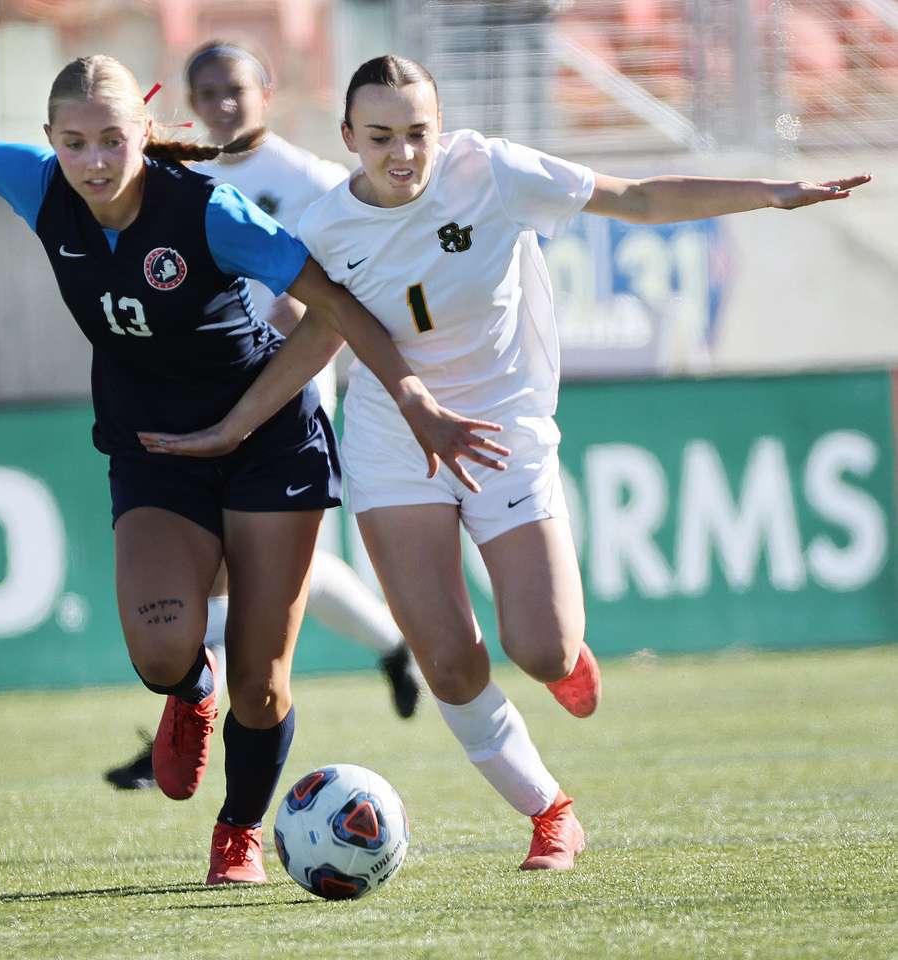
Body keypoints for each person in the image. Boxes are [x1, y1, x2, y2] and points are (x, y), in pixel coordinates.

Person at [0, 55, 496, 885]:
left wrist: (413, 401)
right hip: (154, 450)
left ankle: (239, 835)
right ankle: (190, 691)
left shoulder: (211, 212)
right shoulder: (35, 184)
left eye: (112, 140)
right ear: (49, 142)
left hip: (267, 443)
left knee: (261, 686)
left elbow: (334, 304)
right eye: (75, 143)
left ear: (144, 133)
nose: (94, 160)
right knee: (159, 651)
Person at [135, 54, 870, 871]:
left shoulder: (494, 173)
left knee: (543, 649)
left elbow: (640, 199)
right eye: (380, 137)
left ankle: (563, 656)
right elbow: (311, 339)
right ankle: (550, 812)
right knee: (448, 663)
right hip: (395, 443)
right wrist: (231, 424)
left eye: (418, 133)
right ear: (348, 137)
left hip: (505, 434)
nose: (402, 154)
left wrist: (767, 195)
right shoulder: (325, 226)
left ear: (440, 130)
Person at [102, 39, 424, 792]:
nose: (220, 104)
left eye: (233, 90)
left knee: (266, 567)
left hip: (289, 387)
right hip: (194, 391)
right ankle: (381, 649)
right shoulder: (171, 177)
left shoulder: (311, 180)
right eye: (205, 91)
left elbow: (351, 276)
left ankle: (189, 724)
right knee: (231, 564)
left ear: (266, 92)